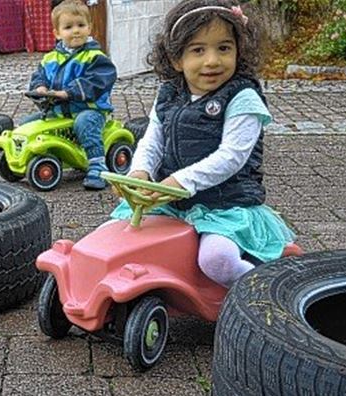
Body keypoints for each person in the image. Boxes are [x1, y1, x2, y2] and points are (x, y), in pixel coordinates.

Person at [111, 0, 295, 287]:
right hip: (173, 201)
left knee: (217, 260)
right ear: (176, 59)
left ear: (238, 51)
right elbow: (153, 139)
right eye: (198, 50)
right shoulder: (169, 93)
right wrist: (139, 173)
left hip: (226, 205)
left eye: (224, 48)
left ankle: (261, 293)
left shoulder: (243, 98)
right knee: (117, 235)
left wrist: (179, 182)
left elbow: (231, 157)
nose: (212, 61)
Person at [24, 0, 117, 190]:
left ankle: (97, 166)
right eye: (68, 27)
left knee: (85, 123)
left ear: (89, 27)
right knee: (28, 124)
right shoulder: (50, 58)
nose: (76, 31)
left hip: (89, 109)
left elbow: (97, 81)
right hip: (59, 111)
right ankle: (23, 160)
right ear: (57, 33)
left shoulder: (95, 57)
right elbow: (39, 76)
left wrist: (69, 92)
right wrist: (40, 87)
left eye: (81, 25)